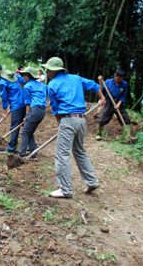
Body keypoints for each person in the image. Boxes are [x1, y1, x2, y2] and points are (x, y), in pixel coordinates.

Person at [42, 57, 106, 198]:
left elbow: (55, 108)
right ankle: (91, 181)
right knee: (79, 151)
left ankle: (65, 189)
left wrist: (60, 124)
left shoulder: (52, 85)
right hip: (81, 120)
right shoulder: (76, 78)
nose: (46, 72)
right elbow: (95, 86)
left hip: (67, 119)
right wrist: (101, 98)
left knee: (62, 154)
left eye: (48, 69)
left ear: (54, 70)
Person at [0, 63, 26, 153]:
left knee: (14, 127)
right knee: (25, 126)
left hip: (16, 105)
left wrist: (5, 112)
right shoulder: (11, 75)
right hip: (24, 103)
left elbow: (3, 98)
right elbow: (23, 79)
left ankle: (11, 148)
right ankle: (28, 145)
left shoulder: (2, 82)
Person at [18, 67, 47, 161]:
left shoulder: (27, 86)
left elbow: (28, 103)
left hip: (34, 110)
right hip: (42, 111)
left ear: (29, 76)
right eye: (23, 75)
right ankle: (33, 155)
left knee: (25, 132)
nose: (23, 77)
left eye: (25, 75)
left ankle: (21, 155)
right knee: (30, 132)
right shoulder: (42, 85)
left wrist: (27, 115)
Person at [96, 69, 134, 141]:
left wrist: (118, 104)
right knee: (102, 118)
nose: (119, 80)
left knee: (126, 119)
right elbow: (101, 92)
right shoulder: (108, 82)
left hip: (118, 102)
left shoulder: (125, 84)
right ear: (115, 76)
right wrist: (100, 82)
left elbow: (123, 96)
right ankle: (99, 134)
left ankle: (127, 138)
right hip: (109, 102)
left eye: (121, 79)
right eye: (118, 78)